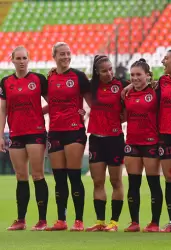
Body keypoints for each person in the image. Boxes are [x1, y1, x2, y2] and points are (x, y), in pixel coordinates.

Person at [122, 46, 171, 232]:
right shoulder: (162, 82)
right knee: (170, 179)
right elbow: (144, 85)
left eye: (166, 59)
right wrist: (132, 84)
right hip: (165, 137)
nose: (163, 62)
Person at [0, 46, 49, 231]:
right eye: (18, 58)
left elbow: (53, 102)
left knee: (37, 175)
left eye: (24, 58)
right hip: (15, 133)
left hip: (35, 132)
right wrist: (0, 135)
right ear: (12, 60)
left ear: (29, 59)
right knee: (21, 176)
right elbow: (3, 110)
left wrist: (38, 113)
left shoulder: (38, 79)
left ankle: (42, 220)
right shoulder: (5, 82)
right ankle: (21, 220)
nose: (21, 61)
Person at [45, 42, 92, 231]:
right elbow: (54, 104)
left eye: (68, 53)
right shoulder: (48, 78)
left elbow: (93, 102)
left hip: (74, 131)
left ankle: (79, 220)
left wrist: (84, 113)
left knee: (74, 176)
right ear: (54, 56)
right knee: (59, 178)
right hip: (55, 131)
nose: (66, 57)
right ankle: (61, 220)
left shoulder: (79, 76)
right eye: (61, 54)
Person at [85, 55, 128, 232]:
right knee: (98, 182)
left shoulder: (121, 85)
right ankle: (100, 221)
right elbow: (72, 81)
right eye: (104, 70)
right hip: (96, 138)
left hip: (114, 139)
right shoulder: (91, 86)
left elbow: (141, 85)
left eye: (110, 69)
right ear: (97, 72)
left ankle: (114, 222)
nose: (109, 73)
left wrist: (122, 116)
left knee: (116, 181)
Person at [122, 59, 163, 233]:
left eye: (139, 74)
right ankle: (134, 222)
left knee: (153, 183)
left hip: (151, 142)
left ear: (148, 75)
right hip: (132, 142)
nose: (135, 78)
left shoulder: (156, 90)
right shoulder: (127, 93)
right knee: (133, 184)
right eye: (132, 75)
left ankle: (154, 223)